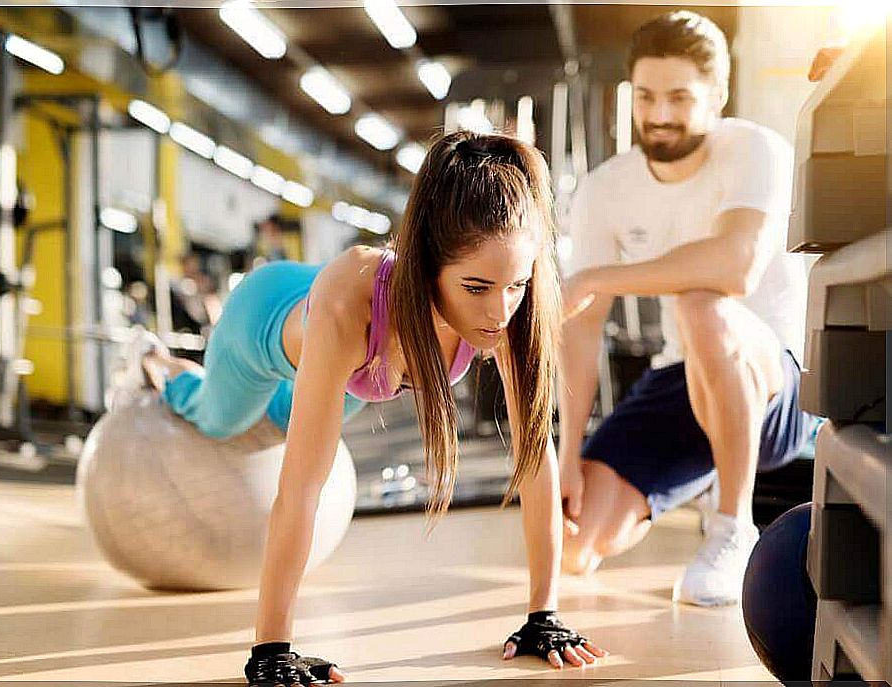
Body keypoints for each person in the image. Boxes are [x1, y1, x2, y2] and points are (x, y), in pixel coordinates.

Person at [129, 131, 607, 684]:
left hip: (357, 376)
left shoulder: (510, 305)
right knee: (222, 420)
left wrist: (543, 615)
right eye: (476, 287)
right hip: (261, 325)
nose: (500, 310)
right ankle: (162, 368)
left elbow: (534, 458)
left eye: (516, 285)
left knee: (286, 424)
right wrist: (271, 649)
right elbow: (299, 489)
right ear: (428, 267)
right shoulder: (350, 299)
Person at [557, 10, 817, 607]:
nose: (660, 114)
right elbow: (580, 331)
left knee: (704, 304)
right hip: (684, 378)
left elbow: (735, 267)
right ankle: (707, 469)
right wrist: (568, 454)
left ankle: (732, 527)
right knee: (574, 544)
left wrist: (601, 275)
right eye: (646, 96)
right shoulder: (605, 189)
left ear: (717, 96)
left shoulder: (757, 149)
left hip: (779, 382)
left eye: (680, 96)